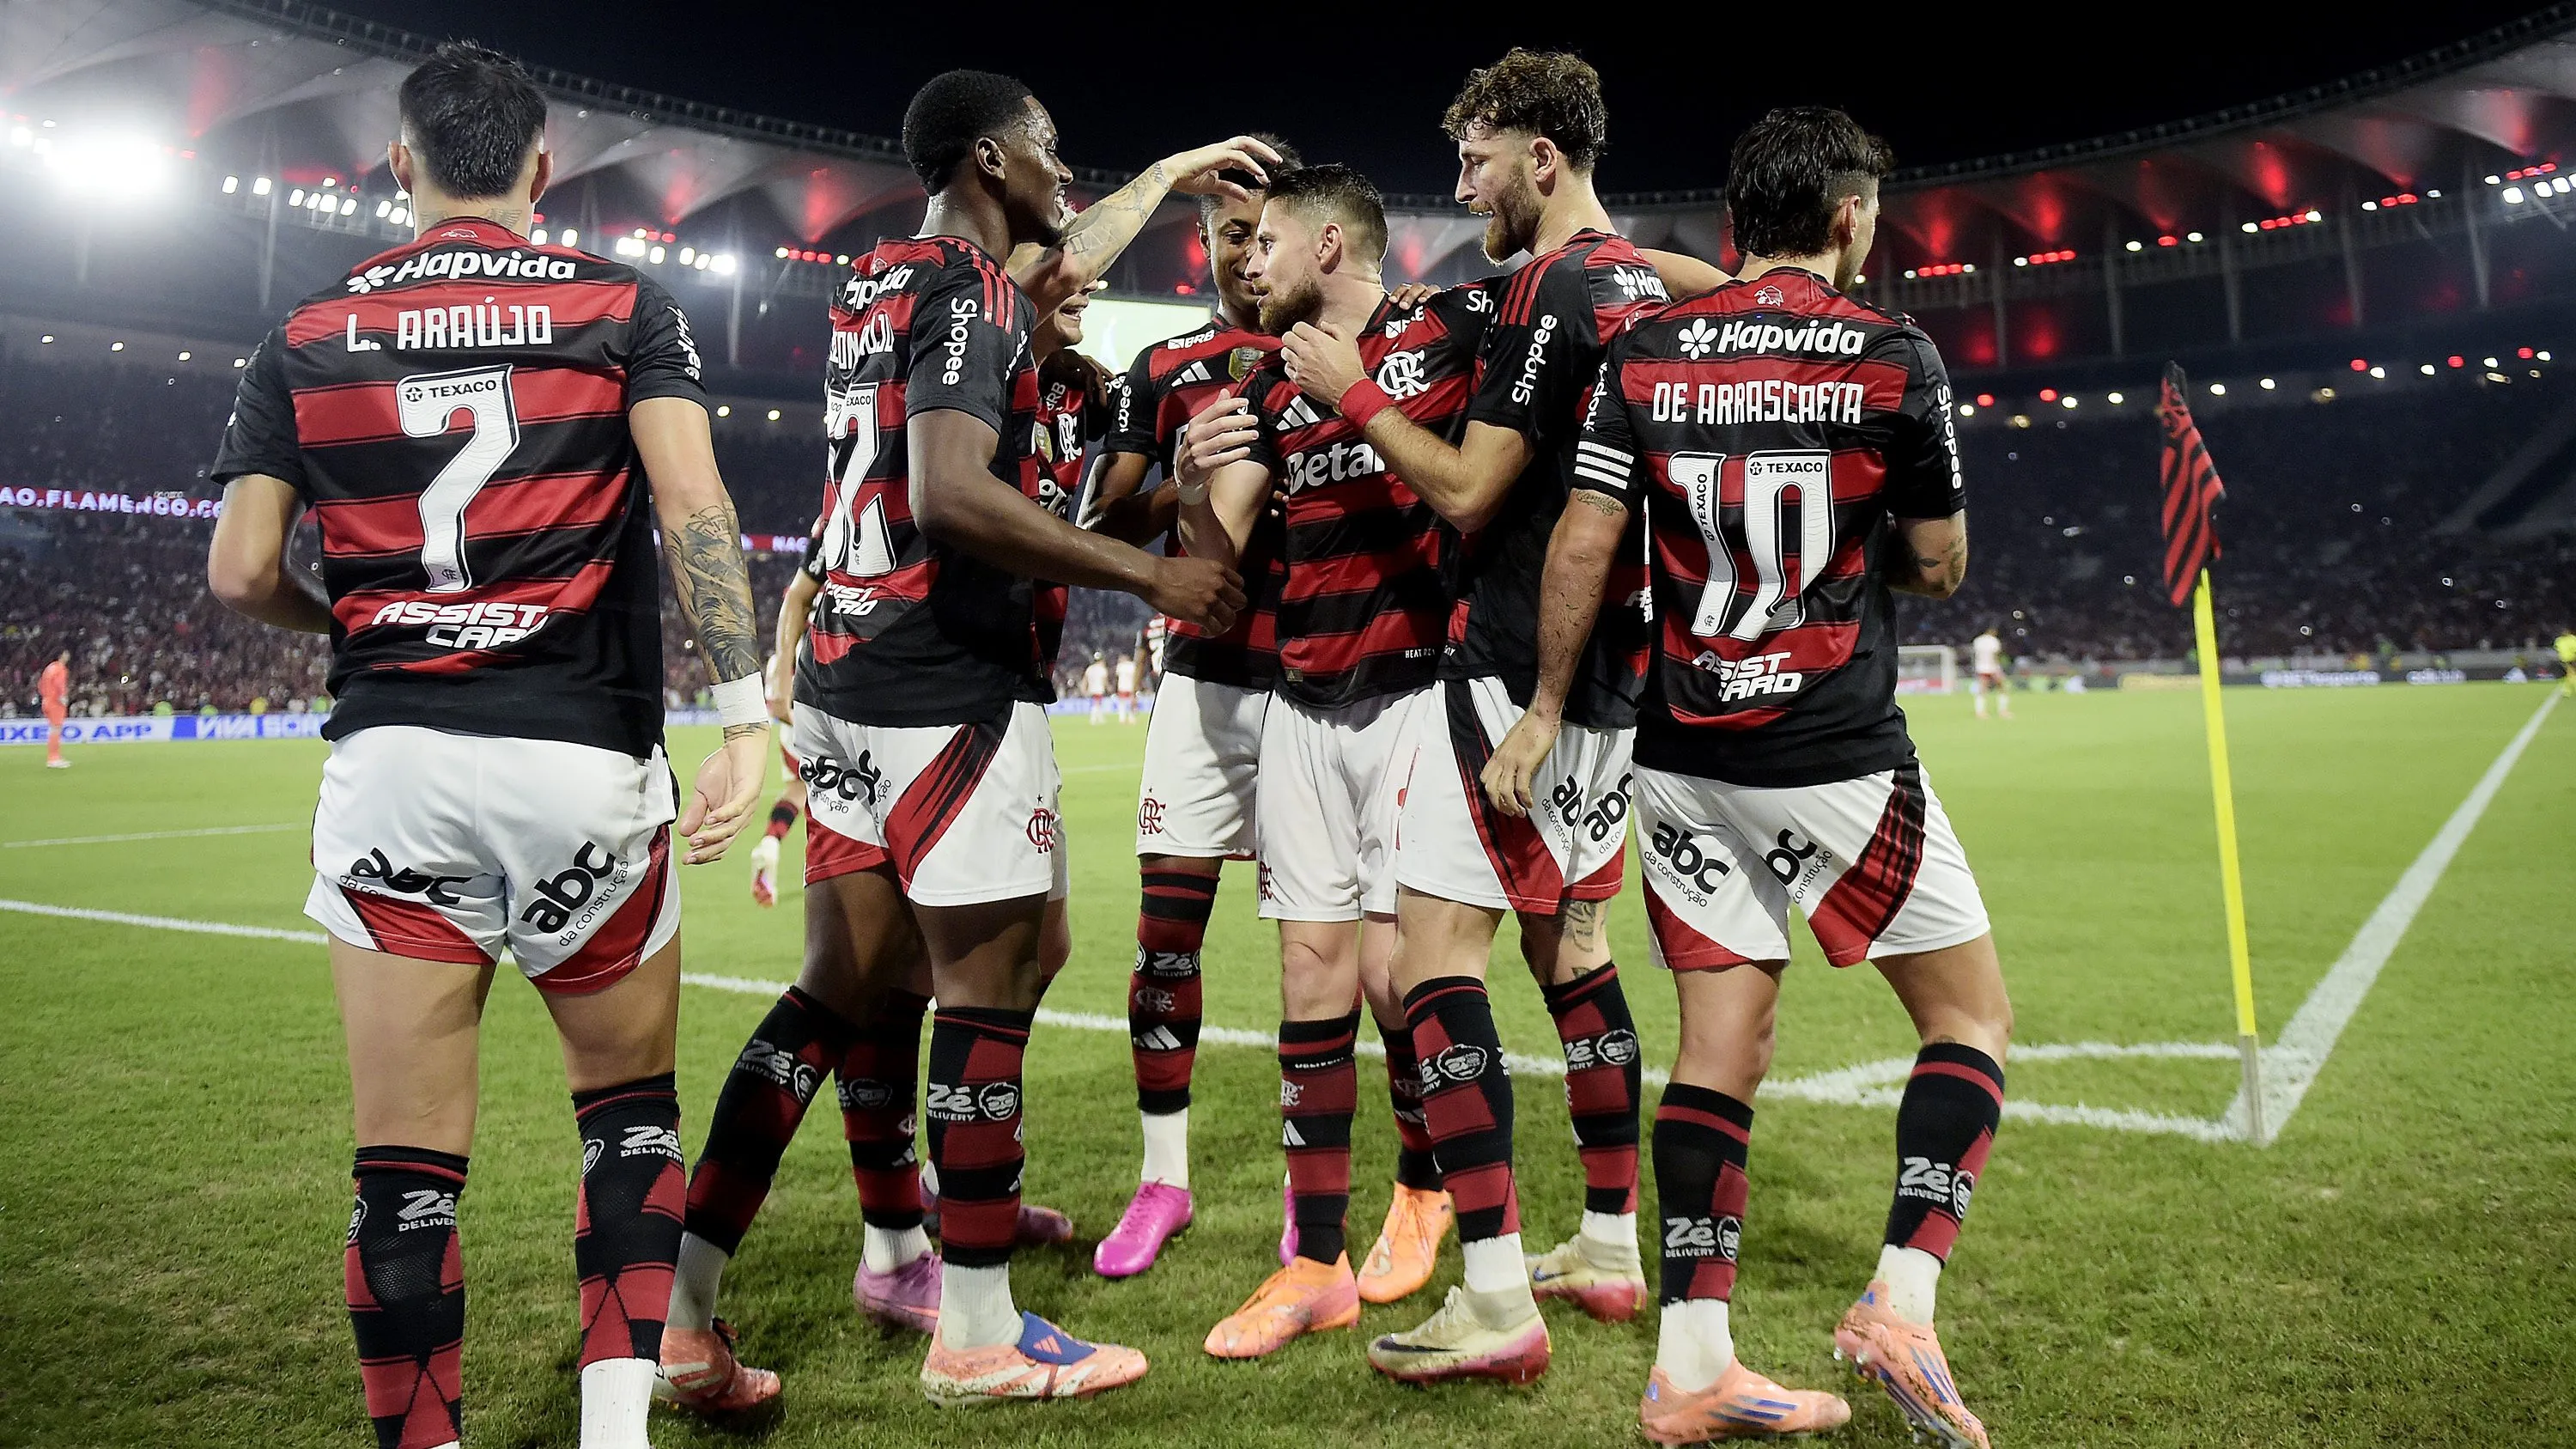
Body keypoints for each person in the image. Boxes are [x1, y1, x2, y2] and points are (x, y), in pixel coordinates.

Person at [660, 69, 1256, 1409]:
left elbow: (1012, 353)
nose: (1066, 186)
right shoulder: (976, 296)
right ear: (993, 159)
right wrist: (1144, 570)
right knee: (983, 1000)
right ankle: (976, 1329)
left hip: (852, 683)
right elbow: (944, 493)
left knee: (839, 994)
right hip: (948, 689)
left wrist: (1163, 177)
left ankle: (687, 1306)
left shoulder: (882, 279)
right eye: (1047, 153)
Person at [204, 41, 770, 1449]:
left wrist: (343, 616)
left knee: (403, 1170)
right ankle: (614, 1435)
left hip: (395, 763)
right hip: (583, 763)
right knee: (628, 1116)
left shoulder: (306, 329)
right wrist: (746, 716)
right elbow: (694, 507)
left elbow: (237, 571)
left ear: (398, 168)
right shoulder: (624, 306)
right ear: (539, 170)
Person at [1487, 106, 2010, 1448]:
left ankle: (1692, 1362)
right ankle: (1900, 1293)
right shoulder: (1896, 354)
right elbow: (1941, 564)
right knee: (1969, 1024)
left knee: (1720, 1048)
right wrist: (1850, 543)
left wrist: (1548, 706)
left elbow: (1585, 541)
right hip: (1834, 750)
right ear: (1845, 218)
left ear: (1740, 222)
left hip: (1681, 749)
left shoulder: (1649, 351)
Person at [1266, 52, 1728, 1381]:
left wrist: (1348, 391)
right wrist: (1773, 294)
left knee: (1432, 966)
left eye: (1476, 158)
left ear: (1541, 159)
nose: (1460, 182)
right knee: (1573, 955)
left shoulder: (1539, 290)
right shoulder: (1624, 276)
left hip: (1517, 661)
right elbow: (1666, 284)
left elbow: (1473, 492)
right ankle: (1606, 1240)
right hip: (1619, 674)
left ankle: (1489, 1294)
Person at [1174, 162, 1492, 1360]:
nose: (1244, 260)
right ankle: (1311, 1259)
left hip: (1419, 689)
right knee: (1309, 970)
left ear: (1328, 242)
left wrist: (1356, 394)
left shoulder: (1445, 333)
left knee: (1401, 976)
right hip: (1301, 701)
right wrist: (1202, 473)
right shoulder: (1266, 376)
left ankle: (1422, 1187)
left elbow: (1474, 493)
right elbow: (1220, 551)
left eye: (1265, 244)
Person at [1081, 138, 1299, 1277]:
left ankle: (1363, 1193)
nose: (1249, 255)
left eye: (1267, 234)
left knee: (1350, 959)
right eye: (1230, 235)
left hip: (1332, 692)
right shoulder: (1163, 367)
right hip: (1207, 688)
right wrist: (1179, 471)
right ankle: (1163, 1179)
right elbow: (1098, 528)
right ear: (1203, 247)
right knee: (1166, 939)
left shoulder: (1351, 354)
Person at [748, 642, 810, 909]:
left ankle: (770, 842)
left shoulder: (785, 649)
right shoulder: (836, 621)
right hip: (823, 722)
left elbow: (776, 704)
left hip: (791, 728)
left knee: (798, 789)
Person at [38, 648, 70, 768]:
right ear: (61, 655)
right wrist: (62, 697)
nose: (68, 655)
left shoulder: (49, 668)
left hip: (47, 701)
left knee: (54, 729)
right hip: (55, 702)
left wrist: (45, 696)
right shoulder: (60, 668)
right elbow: (59, 683)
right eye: (66, 653)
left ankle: (55, 757)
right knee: (56, 730)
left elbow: (41, 684)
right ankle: (53, 758)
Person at [1971, 627, 2011, 718]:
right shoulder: (1994, 641)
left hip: (1981, 667)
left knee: (1982, 690)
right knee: (2002, 688)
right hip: (1992, 667)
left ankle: (1980, 712)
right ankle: (2003, 711)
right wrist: (1998, 667)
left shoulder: (1977, 640)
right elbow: (1995, 655)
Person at [1085, 652, 1111, 721]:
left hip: (1091, 689)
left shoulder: (1090, 668)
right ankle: (1093, 719)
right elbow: (1104, 680)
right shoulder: (1102, 669)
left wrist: (1085, 688)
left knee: (1097, 704)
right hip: (1099, 689)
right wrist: (1108, 687)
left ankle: (1100, 719)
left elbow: (1085, 679)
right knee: (1097, 704)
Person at [1113, 653, 1139, 721]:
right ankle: (1132, 718)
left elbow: (1117, 676)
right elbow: (1136, 676)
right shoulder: (1132, 665)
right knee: (1132, 703)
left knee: (1122, 704)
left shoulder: (1120, 666)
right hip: (1131, 686)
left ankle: (1122, 718)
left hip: (1122, 686)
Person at [2555, 626, 2575, 696]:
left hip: (2572, 659)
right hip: (2564, 660)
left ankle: (2567, 690)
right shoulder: (2559, 640)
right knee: (2571, 674)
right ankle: (2567, 690)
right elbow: (2558, 649)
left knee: (2570, 674)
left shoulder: (2572, 638)